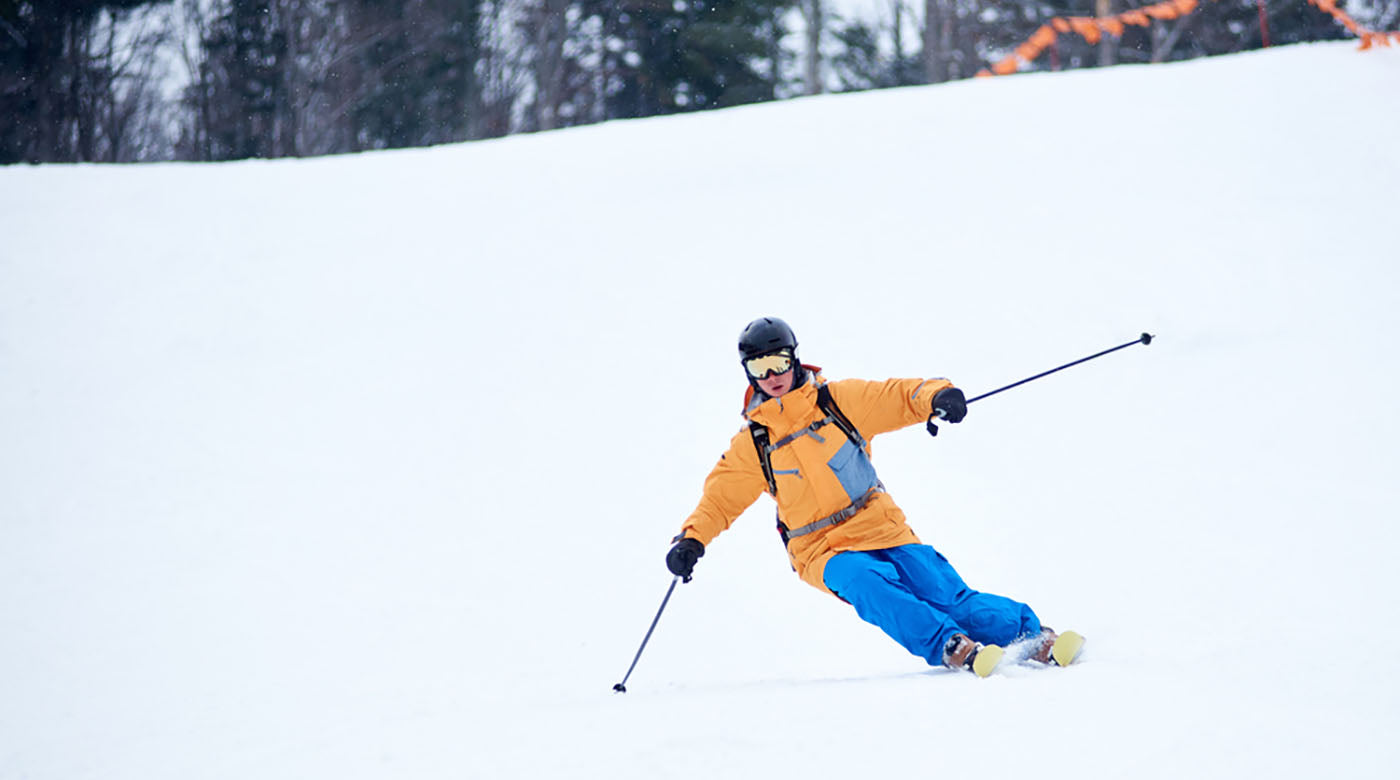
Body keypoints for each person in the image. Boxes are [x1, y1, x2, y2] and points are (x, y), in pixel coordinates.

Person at [666, 317, 1081, 676]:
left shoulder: (837, 403)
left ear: (794, 359)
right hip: (819, 549)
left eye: (778, 361)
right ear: (748, 373)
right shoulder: (753, 443)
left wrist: (937, 397)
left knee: (947, 595)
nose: (771, 374)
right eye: (759, 366)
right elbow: (720, 499)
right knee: (865, 582)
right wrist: (691, 540)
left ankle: (1035, 637)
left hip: (880, 525)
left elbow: (896, 397)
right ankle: (950, 646)